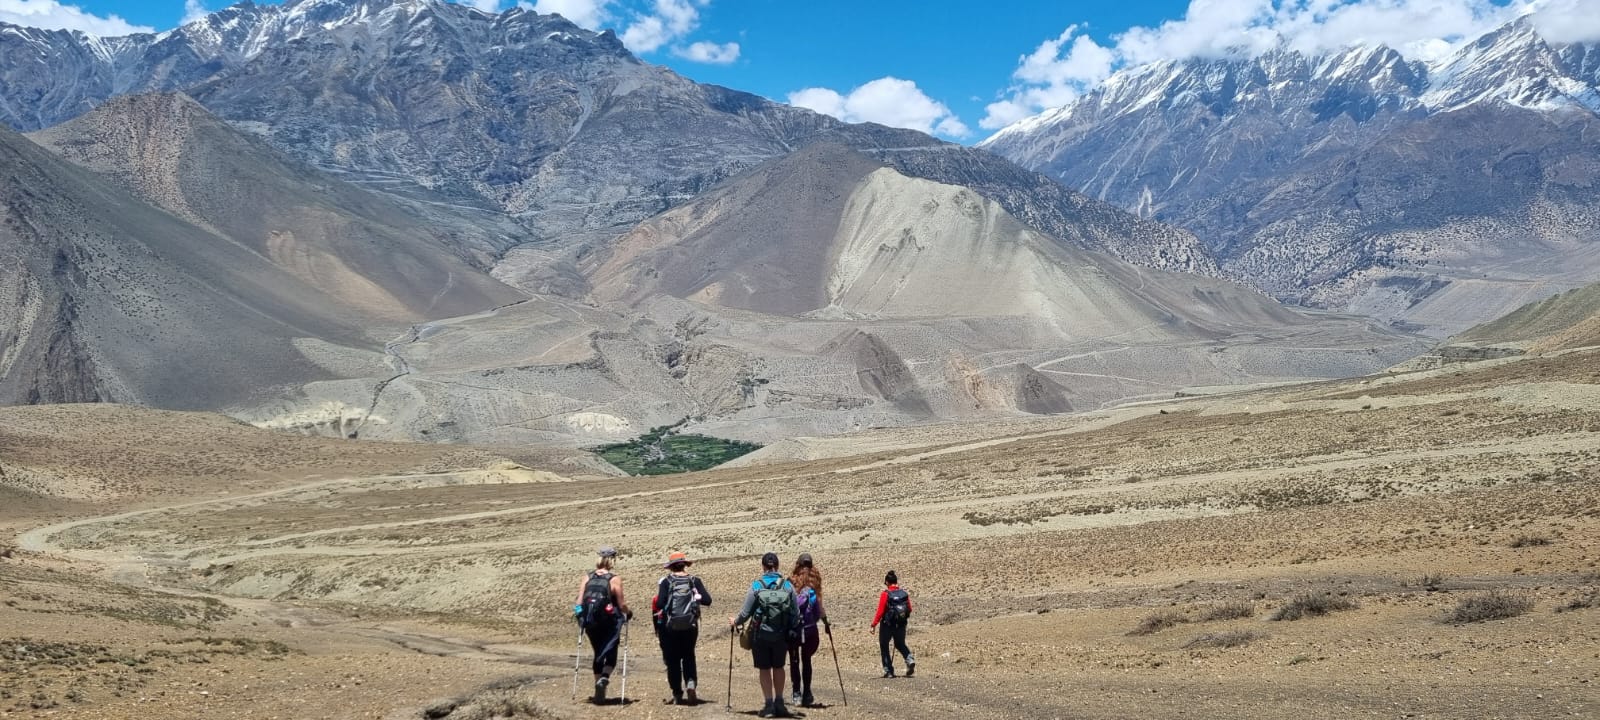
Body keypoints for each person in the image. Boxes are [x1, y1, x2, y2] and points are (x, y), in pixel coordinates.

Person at [730, 552, 801, 718]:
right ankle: (780, 702)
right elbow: (795, 613)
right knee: (779, 667)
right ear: (778, 565)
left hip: (760, 635)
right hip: (781, 635)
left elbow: (745, 613)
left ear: (763, 566)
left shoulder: (757, 585)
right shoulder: (787, 586)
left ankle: (768, 705)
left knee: (764, 669)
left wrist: (735, 621)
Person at [653, 551, 712, 705]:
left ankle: (677, 694)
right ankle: (691, 685)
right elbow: (707, 600)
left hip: (670, 627)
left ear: (671, 567)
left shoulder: (666, 582)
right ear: (685, 564)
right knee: (688, 656)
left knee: (673, 660)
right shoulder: (694, 581)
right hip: (690, 626)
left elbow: (659, 604)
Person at [574, 546, 632, 703]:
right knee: (610, 653)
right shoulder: (614, 579)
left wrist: (580, 616)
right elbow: (622, 605)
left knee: (598, 653)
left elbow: (579, 601)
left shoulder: (587, 577)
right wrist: (629, 613)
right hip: (609, 622)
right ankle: (604, 678)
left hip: (590, 621)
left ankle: (598, 689)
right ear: (612, 560)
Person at [787, 553, 830, 707]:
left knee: (794, 661)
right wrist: (825, 622)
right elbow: (819, 608)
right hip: (810, 629)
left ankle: (796, 693)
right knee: (807, 661)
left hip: (794, 629)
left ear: (798, 564)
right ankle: (807, 693)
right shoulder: (815, 582)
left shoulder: (790, 581)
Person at [870, 569, 915, 678]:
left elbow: (880, 611)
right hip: (901, 624)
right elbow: (909, 609)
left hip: (887, 625)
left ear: (887, 582)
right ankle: (909, 659)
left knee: (884, 646)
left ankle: (889, 671)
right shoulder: (904, 594)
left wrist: (873, 625)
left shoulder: (886, 594)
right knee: (900, 644)